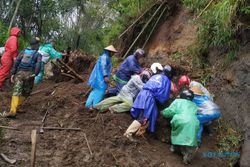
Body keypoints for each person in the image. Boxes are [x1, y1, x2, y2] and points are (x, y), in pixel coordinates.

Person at [124, 63, 175, 140]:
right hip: (149, 97)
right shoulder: (167, 80)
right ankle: (128, 133)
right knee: (143, 117)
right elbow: (163, 96)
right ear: (170, 74)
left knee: (150, 114)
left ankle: (139, 132)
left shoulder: (154, 76)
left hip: (142, 93)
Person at [2, 37, 42, 118]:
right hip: (29, 75)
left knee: (16, 91)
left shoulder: (23, 52)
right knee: (26, 92)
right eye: (38, 45)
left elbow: (17, 62)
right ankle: (15, 108)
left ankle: (13, 109)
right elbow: (38, 65)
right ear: (36, 45)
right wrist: (36, 74)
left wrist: (13, 73)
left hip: (19, 74)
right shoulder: (38, 55)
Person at [161, 89, 199, 164]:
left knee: (177, 132)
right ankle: (187, 157)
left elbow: (170, 111)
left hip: (180, 120)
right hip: (194, 123)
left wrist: (163, 112)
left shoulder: (177, 101)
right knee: (190, 138)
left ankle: (174, 148)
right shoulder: (194, 105)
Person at [85, 45, 118, 109]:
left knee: (96, 90)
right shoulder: (104, 57)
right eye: (113, 52)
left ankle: (89, 105)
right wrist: (105, 76)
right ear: (109, 51)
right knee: (101, 91)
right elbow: (103, 66)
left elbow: (107, 68)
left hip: (100, 78)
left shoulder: (108, 57)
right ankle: (95, 106)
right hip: (100, 78)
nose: (113, 54)